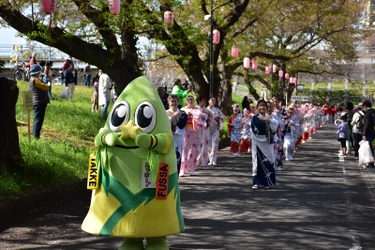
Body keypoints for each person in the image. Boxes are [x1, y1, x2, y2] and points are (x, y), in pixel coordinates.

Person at [251, 99, 278, 189]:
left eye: (264, 106)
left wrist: (267, 120)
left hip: (267, 143)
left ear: (266, 108)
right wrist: (265, 121)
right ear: (257, 108)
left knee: (269, 160)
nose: (262, 107)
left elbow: (276, 124)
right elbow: (257, 127)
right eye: (260, 106)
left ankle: (267, 182)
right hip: (257, 143)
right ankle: (256, 182)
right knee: (256, 162)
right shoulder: (255, 118)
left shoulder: (270, 117)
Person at [166, 94, 187, 176]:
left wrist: (175, 116)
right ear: (169, 102)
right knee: (167, 158)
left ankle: (176, 177)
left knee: (177, 158)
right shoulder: (165, 113)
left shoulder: (182, 113)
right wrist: (174, 116)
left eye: (175, 101)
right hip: (168, 137)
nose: (173, 103)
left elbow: (182, 124)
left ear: (178, 102)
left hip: (178, 138)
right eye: (172, 101)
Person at [180, 95, 201, 176]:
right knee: (184, 150)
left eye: (191, 100)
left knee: (193, 151)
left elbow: (200, 117)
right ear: (186, 101)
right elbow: (180, 118)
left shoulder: (197, 110)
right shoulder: (183, 109)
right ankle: (183, 168)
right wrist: (186, 114)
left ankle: (192, 168)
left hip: (194, 132)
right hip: (185, 132)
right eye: (188, 100)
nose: (190, 101)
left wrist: (192, 114)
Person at [28, 64, 50, 139]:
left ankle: (34, 134)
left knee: (36, 119)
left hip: (36, 102)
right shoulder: (36, 80)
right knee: (38, 120)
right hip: (40, 102)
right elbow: (45, 87)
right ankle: (36, 136)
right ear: (37, 72)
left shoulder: (32, 79)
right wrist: (48, 84)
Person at [207, 97, 226, 165]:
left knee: (214, 143)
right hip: (208, 128)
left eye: (214, 100)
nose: (213, 101)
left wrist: (220, 117)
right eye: (212, 100)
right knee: (209, 144)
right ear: (208, 101)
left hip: (215, 128)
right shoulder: (206, 110)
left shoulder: (217, 110)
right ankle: (210, 159)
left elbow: (224, 117)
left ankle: (214, 160)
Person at [362, 100, 375, 168]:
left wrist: (364, 134)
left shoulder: (368, 114)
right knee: (370, 147)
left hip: (368, 132)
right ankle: (371, 161)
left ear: (365, 106)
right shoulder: (373, 112)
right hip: (373, 131)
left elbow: (366, 124)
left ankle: (370, 162)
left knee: (368, 148)